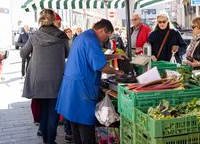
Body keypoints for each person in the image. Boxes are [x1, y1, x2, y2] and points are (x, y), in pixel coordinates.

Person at [56, 19, 125, 144]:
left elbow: (96, 56)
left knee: (75, 127)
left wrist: (115, 56)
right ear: (102, 30)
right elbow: (101, 66)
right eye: (106, 36)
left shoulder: (85, 36)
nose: (106, 40)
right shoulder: (91, 40)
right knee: (86, 130)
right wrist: (117, 72)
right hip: (81, 89)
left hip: (71, 86)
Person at [20, 9, 69, 144]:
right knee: (53, 112)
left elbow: (23, 54)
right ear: (53, 19)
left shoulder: (34, 35)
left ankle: (46, 140)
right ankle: (50, 141)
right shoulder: (62, 35)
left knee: (43, 110)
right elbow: (67, 54)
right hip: (56, 79)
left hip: (38, 79)